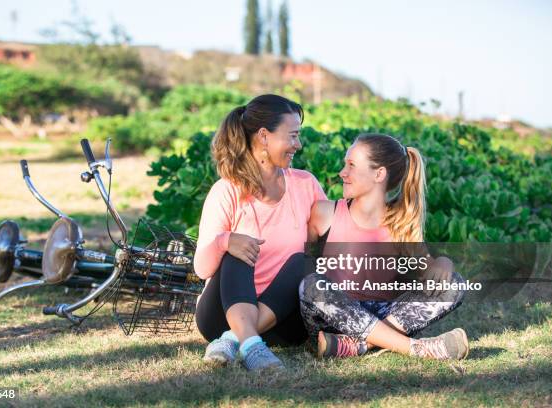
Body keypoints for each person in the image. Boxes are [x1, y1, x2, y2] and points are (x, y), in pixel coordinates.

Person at [299, 133, 468, 361]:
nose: (342, 173)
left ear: (379, 174)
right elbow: (304, 271)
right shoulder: (324, 214)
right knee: (312, 285)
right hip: (332, 321)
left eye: (351, 165)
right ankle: (416, 348)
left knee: (454, 284)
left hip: (383, 316)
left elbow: (430, 275)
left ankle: (358, 345)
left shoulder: (401, 225)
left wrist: (443, 263)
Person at [194, 94, 326, 371]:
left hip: (283, 322)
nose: (298, 145)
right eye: (292, 136)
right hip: (220, 316)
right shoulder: (226, 190)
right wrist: (225, 241)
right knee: (237, 249)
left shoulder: (306, 184)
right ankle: (251, 344)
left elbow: (329, 251)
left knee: (306, 259)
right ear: (264, 136)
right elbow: (203, 269)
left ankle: (239, 339)